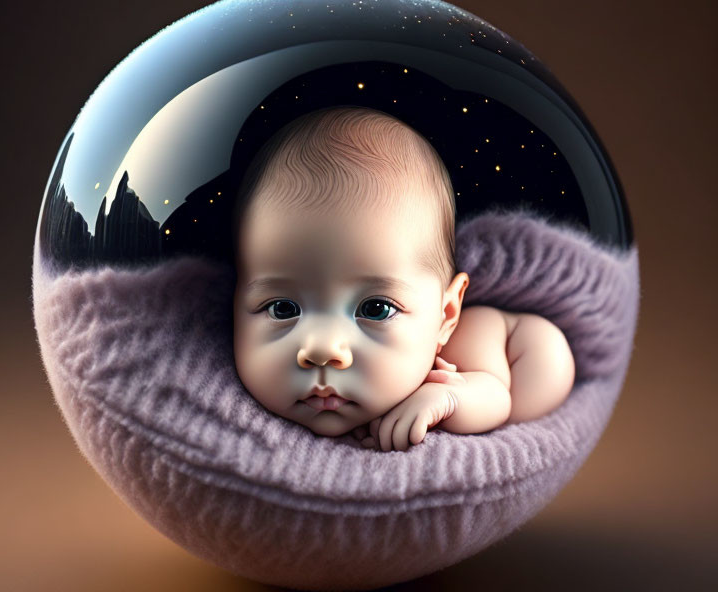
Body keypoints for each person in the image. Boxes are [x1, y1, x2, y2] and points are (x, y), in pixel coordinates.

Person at [231, 106, 575, 451]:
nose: (322, 350)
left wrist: (450, 397)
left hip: (520, 350)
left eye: (376, 308)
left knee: (543, 375)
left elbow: (496, 397)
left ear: (446, 315)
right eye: (282, 308)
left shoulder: (452, 360)